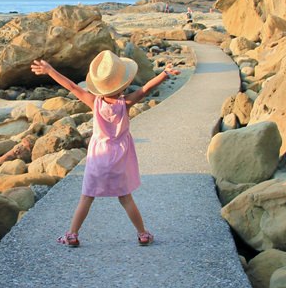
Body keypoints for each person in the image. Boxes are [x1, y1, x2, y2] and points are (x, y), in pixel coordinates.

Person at [31, 50, 180, 247]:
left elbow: (72, 86)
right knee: (126, 198)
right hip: (119, 156)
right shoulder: (125, 103)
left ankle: (72, 234)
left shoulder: (94, 102)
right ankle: (143, 233)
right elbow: (145, 89)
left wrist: (50, 70)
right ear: (123, 84)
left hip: (98, 156)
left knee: (87, 197)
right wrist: (164, 74)